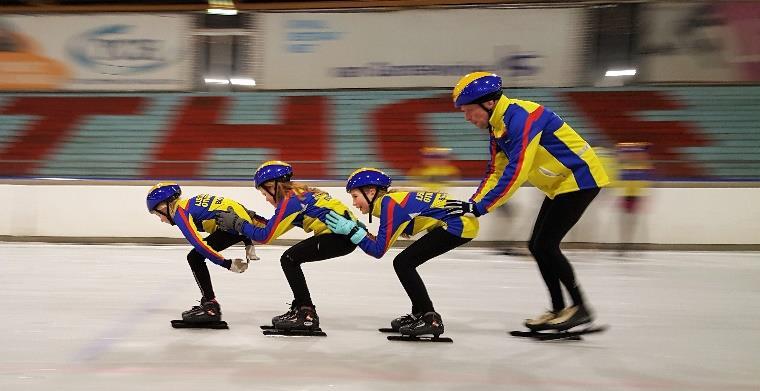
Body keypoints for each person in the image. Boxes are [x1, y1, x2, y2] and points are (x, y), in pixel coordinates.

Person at [447, 72, 610, 331]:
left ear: (488, 103)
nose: (466, 117)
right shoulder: (498, 126)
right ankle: (559, 309)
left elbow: (517, 170)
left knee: (545, 244)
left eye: (468, 110)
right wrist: (472, 203)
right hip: (562, 184)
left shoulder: (521, 117)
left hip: (581, 178)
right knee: (538, 245)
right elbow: (495, 171)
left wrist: (481, 207)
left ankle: (580, 308)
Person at [324, 168, 479, 338]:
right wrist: (361, 232)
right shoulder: (390, 201)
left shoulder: (390, 204)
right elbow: (381, 242)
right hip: (459, 223)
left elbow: (378, 251)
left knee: (403, 262)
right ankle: (420, 313)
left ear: (371, 192)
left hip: (458, 225)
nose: (354, 203)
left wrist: (352, 232)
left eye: (355, 196)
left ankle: (430, 318)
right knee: (405, 262)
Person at [214, 161, 359, 331]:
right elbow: (272, 227)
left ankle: (306, 314)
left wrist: (239, 224)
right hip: (344, 236)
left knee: (289, 259)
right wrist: (249, 218)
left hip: (339, 237)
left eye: (264, 194)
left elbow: (265, 236)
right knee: (291, 258)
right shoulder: (297, 195)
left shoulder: (290, 201)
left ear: (272, 186)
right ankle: (301, 308)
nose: (267, 199)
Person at [146, 182, 265, 324]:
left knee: (194, 257)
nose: (161, 219)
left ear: (163, 207)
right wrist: (247, 240)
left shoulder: (180, 213)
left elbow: (200, 245)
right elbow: (236, 210)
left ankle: (210, 307)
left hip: (232, 228)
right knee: (195, 256)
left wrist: (227, 264)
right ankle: (208, 301)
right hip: (236, 223)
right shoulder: (188, 204)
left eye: (157, 214)